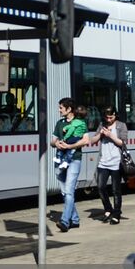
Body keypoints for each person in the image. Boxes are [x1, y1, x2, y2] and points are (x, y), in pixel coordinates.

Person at [50, 98, 89, 232]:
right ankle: (75, 219)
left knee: (69, 190)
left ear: (69, 109)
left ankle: (65, 221)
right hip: (60, 160)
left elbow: (86, 140)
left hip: (74, 159)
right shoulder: (59, 123)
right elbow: (52, 141)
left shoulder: (80, 123)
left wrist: (71, 145)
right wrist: (57, 144)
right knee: (64, 192)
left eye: (61, 107)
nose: (59, 110)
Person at [94, 107, 128, 224]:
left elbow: (123, 143)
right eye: (107, 117)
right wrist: (101, 135)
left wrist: (111, 135)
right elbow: (93, 140)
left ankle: (116, 213)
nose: (109, 120)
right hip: (103, 161)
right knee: (100, 187)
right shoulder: (102, 124)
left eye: (111, 117)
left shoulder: (121, 125)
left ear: (115, 115)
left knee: (116, 190)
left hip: (116, 162)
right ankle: (108, 209)